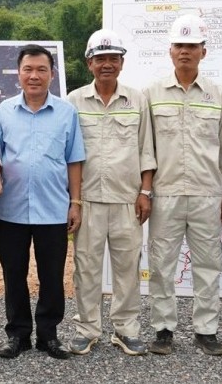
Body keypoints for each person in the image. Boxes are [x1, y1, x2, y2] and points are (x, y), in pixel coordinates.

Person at [0, 43, 85, 360]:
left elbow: (75, 160)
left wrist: (76, 202)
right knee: (13, 274)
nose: (34, 75)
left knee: (52, 276)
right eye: (28, 69)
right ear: (19, 74)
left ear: (52, 74)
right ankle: (18, 335)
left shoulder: (66, 113)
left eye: (42, 69)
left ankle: (48, 335)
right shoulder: (4, 112)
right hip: (11, 209)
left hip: (53, 208)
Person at [143, 12, 222, 356]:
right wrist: (146, 191)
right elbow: (146, 148)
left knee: (208, 264)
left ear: (203, 51)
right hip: (165, 193)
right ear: (170, 51)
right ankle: (163, 329)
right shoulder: (151, 94)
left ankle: (206, 330)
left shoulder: (218, 95)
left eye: (192, 46)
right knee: (162, 265)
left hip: (207, 195)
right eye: (179, 45)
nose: (185, 51)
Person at [65, 30, 156, 357]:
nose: (107, 64)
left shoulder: (137, 100)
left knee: (127, 268)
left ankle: (126, 330)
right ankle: (87, 330)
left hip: (126, 199)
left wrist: (145, 191)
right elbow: (69, 154)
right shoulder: (74, 101)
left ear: (122, 62)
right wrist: (73, 200)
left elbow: (147, 148)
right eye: (100, 58)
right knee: (86, 267)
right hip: (87, 199)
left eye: (113, 58)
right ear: (89, 63)